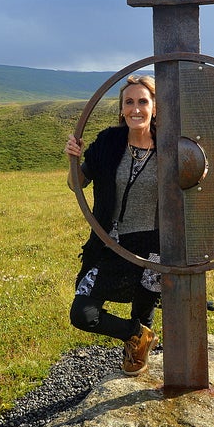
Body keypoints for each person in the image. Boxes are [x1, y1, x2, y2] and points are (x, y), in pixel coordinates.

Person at [64, 74, 161, 376]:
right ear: (121, 109)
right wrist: (73, 159)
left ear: (154, 107)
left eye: (142, 102)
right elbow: (75, 183)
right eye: (129, 102)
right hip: (108, 244)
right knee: (83, 313)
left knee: (143, 310)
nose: (136, 109)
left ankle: (136, 347)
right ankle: (136, 336)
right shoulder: (107, 142)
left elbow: (195, 178)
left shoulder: (171, 146)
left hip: (152, 250)